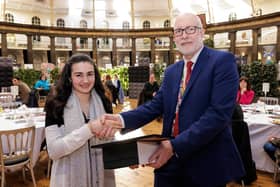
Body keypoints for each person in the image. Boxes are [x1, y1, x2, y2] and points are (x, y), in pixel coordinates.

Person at [103, 13, 245, 186]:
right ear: (174, 38)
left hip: (206, 163)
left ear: (202, 33)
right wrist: (121, 119)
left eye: (190, 29)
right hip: (168, 162)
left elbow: (218, 116)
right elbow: (156, 106)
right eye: (178, 31)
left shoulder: (222, 62)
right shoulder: (172, 71)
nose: (184, 35)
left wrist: (174, 146)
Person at [44, 53, 121, 187]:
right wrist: (89, 129)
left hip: (103, 179)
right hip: (67, 180)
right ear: (69, 77)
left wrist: (127, 157)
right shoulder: (56, 104)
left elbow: (110, 141)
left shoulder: (104, 102)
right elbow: (54, 151)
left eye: (90, 74)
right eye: (79, 75)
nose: (85, 80)